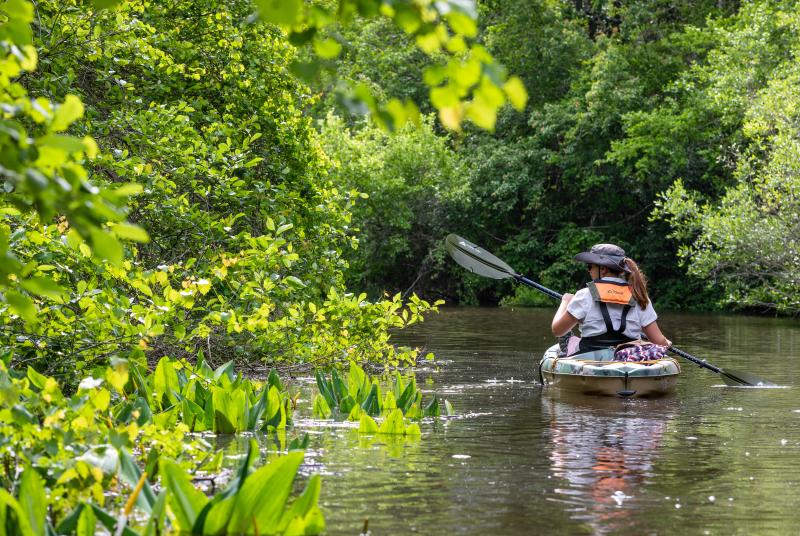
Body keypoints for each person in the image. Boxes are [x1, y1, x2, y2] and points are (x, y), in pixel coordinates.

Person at [551, 243, 671, 355]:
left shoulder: (584, 295)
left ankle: (567, 345)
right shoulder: (639, 297)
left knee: (568, 339)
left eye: (590, 267)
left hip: (589, 361)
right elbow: (660, 343)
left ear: (603, 269)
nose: (588, 271)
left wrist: (565, 302)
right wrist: (667, 343)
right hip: (627, 360)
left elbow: (557, 330)